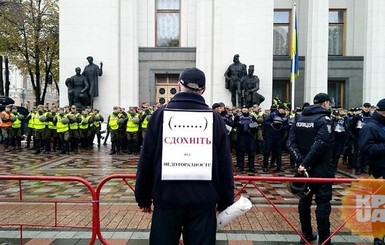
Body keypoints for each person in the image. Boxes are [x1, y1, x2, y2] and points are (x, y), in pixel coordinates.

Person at [135, 67, 234, 245]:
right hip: (203, 200)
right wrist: (225, 200)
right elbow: (225, 163)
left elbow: (146, 158)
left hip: (167, 198)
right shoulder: (215, 119)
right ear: (203, 89)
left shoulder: (160, 115)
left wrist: (142, 196)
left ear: (179, 86)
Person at [286, 93, 334, 245]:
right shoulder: (324, 120)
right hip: (321, 169)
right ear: (325, 103)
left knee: (304, 201)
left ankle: (306, 234)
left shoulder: (299, 118)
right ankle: (324, 239)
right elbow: (320, 144)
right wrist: (305, 162)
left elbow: (290, 143)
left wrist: (301, 162)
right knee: (323, 203)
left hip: (303, 169)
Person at [358, 98, 385, 245]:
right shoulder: (371, 127)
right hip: (379, 172)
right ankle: (378, 237)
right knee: (379, 206)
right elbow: (365, 148)